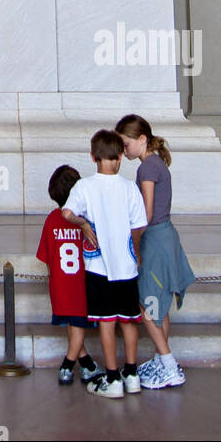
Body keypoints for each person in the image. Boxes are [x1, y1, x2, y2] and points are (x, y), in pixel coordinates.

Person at [61, 130, 147, 400]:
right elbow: (138, 227)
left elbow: (67, 213)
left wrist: (84, 224)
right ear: (121, 155)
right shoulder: (130, 187)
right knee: (129, 321)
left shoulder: (84, 187)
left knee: (107, 324)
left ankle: (112, 377)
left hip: (99, 268)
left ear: (92, 156)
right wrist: (135, 254)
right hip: (126, 266)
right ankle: (131, 374)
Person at [116, 113, 195, 390]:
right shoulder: (156, 163)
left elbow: (145, 214)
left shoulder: (146, 168)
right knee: (158, 303)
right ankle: (162, 361)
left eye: (125, 144)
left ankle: (169, 364)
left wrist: (133, 243)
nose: (123, 151)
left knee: (147, 305)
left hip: (154, 238)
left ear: (141, 139)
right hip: (166, 236)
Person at [36, 165, 104, 386]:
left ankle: (87, 366)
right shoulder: (87, 220)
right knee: (77, 328)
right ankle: (67, 366)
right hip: (80, 286)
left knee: (73, 328)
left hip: (60, 284)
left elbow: (46, 256)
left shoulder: (52, 219)